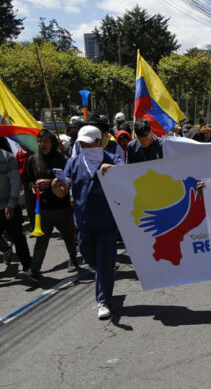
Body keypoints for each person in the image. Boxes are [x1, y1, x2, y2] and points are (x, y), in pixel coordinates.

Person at [52, 125, 123, 320]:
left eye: (88, 143)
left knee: (103, 261)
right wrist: (56, 187)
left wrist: (115, 170)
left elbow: (128, 178)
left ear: (99, 143)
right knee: (89, 257)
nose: (84, 146)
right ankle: (104, 274)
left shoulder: (113, 159)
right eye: (81, 144)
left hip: (107, 223)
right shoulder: (73, 163)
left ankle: (103, 300)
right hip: (83, 222)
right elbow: (62, 190)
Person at [19, 130, 79, 284]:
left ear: (52, 142)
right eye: (40, 141)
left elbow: (67, 180)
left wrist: (50, 181)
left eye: (46, 141)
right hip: (44, 209)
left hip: (62, 207)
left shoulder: (63, 159)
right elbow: (28, 180)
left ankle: (73, 259)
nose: (42, 144)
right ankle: (35, 269)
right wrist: (34, 186)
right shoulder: (33, 160)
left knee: (68, 237)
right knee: (41, 240)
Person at [0, 138, 32, 275]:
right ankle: (6, 249)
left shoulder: (8, 158)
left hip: (8, 207)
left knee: (18, 237)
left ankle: (28, 268)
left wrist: (11, 204)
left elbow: (15, 183)